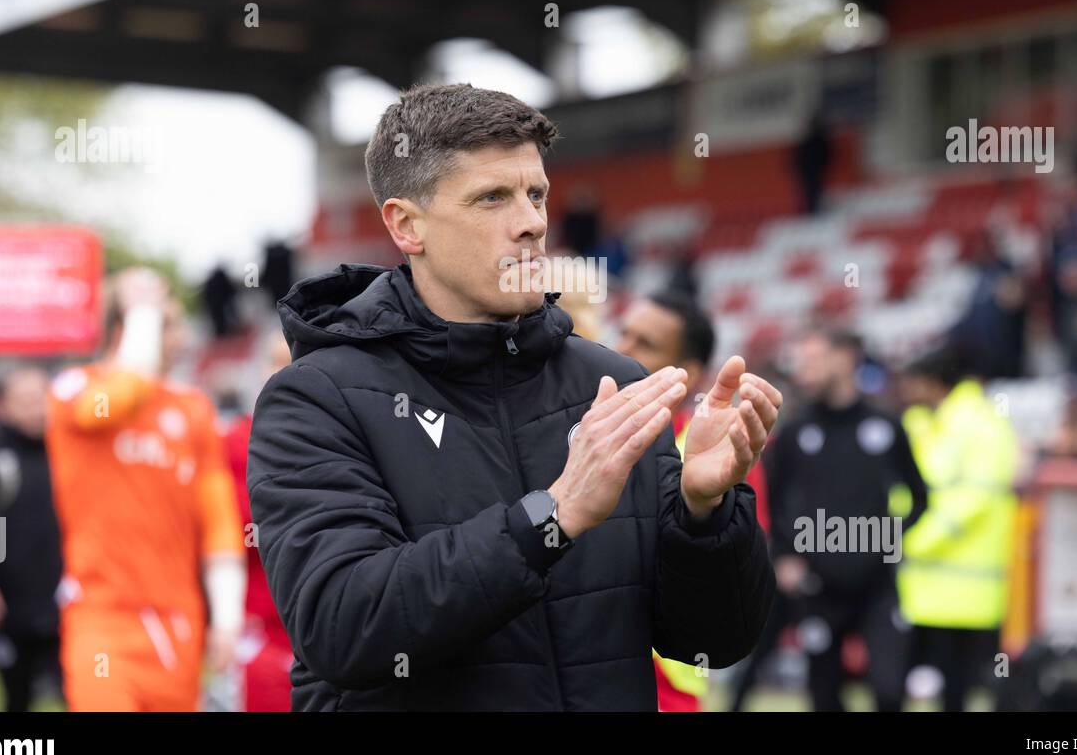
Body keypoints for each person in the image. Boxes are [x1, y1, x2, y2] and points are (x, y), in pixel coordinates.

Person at [248, 83, 778, 711]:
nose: (531, 222)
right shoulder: (314, 399)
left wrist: (705, 513)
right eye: (492, 197)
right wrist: (552, 518)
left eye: (536, 194)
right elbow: (344, 627)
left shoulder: (614, 387)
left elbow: (709, 645)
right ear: (406, 225)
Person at [45, 268, 246, 711]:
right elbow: (120, 396)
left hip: (177, 623)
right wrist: (141, 312)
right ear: (127, 328)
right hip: (102, 619)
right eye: (166, 325)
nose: (179, 339)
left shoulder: (192, 409)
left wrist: (227, 616)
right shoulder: (75, 388)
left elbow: (219, 524)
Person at [616, 290, 770, 711]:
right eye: (624, 334)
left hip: (667, 683)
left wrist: (700, 511)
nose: (621, 349)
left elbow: (736, 574)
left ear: (688, 372)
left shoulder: (723, 454)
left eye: (644, 344)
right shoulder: (585, 431)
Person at [765, 327, 927, 712]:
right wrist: (785, 555)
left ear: (847, 357)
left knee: (889, 691)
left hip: (878, 585)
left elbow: (920, 498)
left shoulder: (885, 426)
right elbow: (772, 501)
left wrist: (888, 539)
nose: (803, 372)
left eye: (813, 360)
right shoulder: (796, 431)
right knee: (824, 696)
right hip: (818, 587)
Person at [896, 346, 1018, 712]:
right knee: (901, 683)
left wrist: (912, 540)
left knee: (958, 688)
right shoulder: (922, 423)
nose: (905, 391)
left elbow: (974, 499)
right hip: (920, 585)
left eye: (914, 383)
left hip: (967, 588)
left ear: (934, 383)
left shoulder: (983, 425)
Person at [0, 363, 63, 711]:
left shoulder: (70, 450)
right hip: (10, 603)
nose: (37, 409)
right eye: (25, 400)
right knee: (16, 696)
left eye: (42, 398)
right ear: (3, 405)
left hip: (67, 598)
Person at [221, 330, 294, 711]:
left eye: (293, 359)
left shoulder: (345, 436)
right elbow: (233, 524)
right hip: (260, 625)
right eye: (275, 361)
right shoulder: (236, 440)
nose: (284, 371)